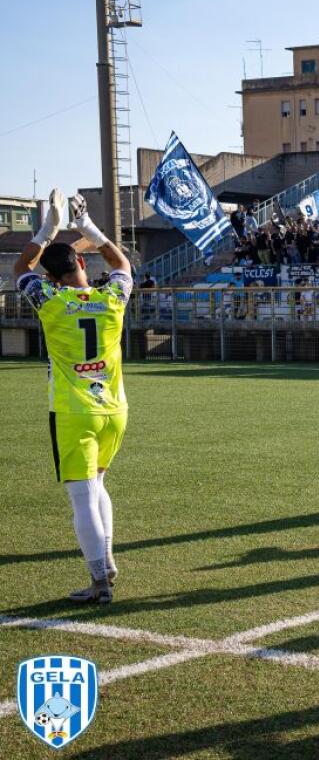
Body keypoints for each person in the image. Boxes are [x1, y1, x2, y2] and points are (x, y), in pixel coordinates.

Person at [15, 190, 133, 604]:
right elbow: (122, 265)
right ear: (82, 263)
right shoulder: (112, 299)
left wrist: (48, 229)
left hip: (72, 411)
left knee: (82, 496)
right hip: (114, 411)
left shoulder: (50, 301)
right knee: (98, 485)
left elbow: (21, 267)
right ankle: (108, 562)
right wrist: (88, 228)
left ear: (52, 278)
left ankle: (99, 581)